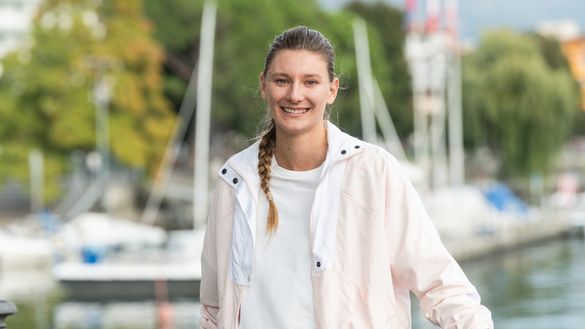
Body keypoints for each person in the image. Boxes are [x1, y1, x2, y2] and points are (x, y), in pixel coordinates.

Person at [200, 26, 493, 329]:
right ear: (264, 86)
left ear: (332, 89)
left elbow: (441, 286)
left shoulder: (373, 172)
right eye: (281, 80)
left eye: (310, 81)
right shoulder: (234, 181)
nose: (295, 94)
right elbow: (213, 308)